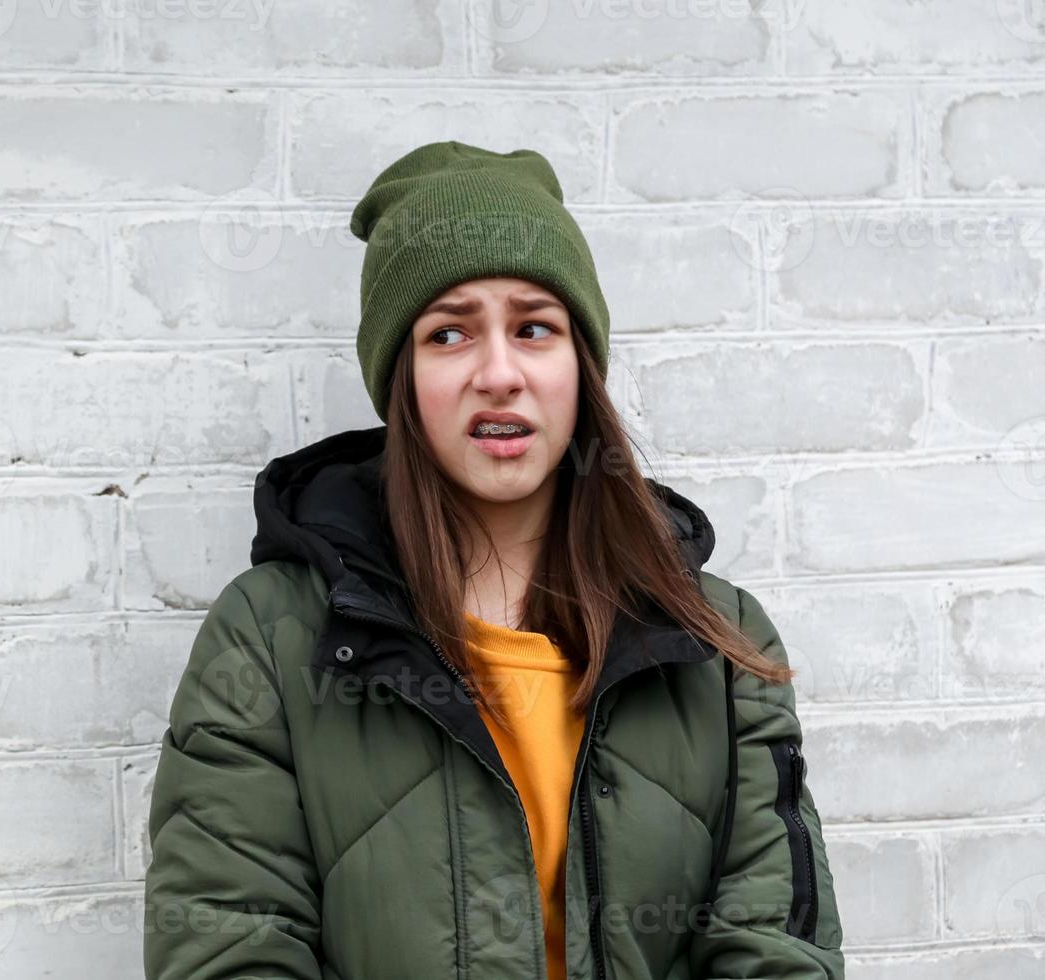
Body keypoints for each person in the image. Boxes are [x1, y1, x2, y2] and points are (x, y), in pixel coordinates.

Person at [142, 140, 845, 980]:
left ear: (579, 366)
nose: (499, 373)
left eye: (534, 328)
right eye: (449, 333)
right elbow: (229, 945)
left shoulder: (716, 641)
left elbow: (777, 946)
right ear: (402, 377)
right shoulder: (269, 637)